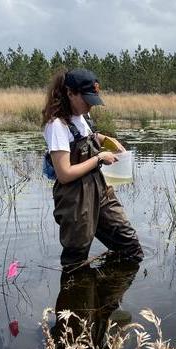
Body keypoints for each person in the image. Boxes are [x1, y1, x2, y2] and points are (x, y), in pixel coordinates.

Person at [41, 68, 144, 270]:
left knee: (130, 247)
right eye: (86, 100)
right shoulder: (57, 126)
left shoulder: (82, 116)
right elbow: (64, 174)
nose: (90, 106)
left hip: (101, 191)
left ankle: (107, 298)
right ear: (70, 93)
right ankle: (77, 298)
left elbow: (86, 138)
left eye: (92, 100)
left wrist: (106, 139)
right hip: (76, 200)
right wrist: (99, 158)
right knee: (76, 263)